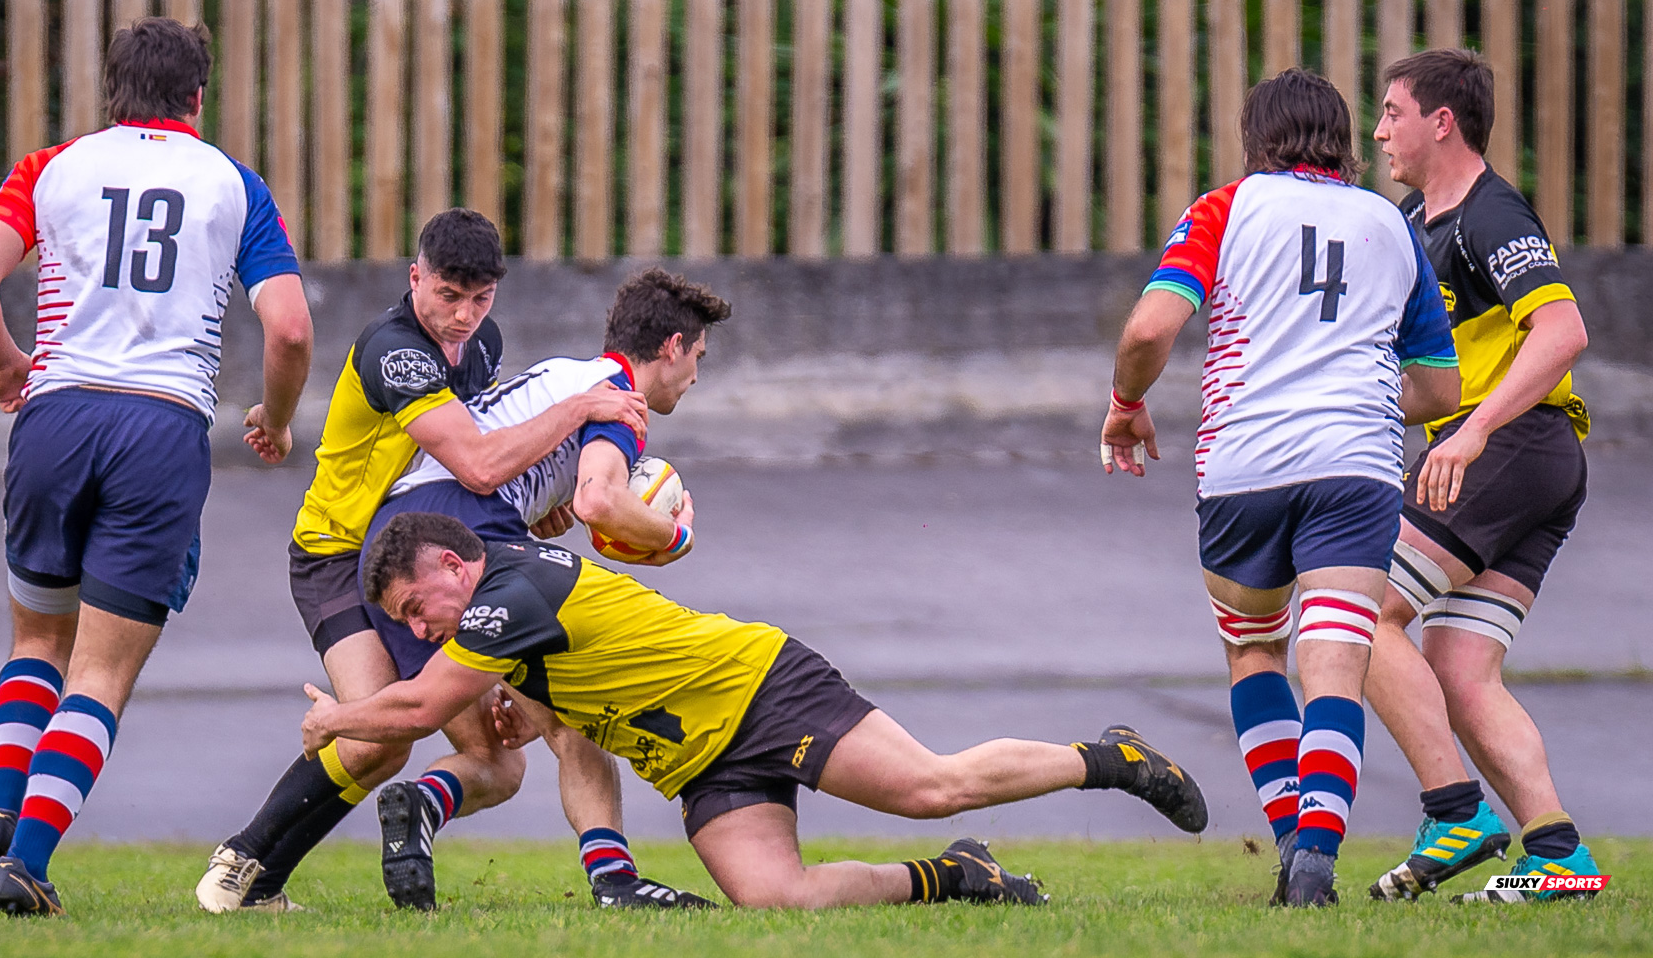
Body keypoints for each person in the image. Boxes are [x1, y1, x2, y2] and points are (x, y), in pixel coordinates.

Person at [301, 510, 1209, 911]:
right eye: (407, 621)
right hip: (704, 763)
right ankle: (961, 877)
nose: (421, 625)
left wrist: (334, 720)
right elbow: (569, 716)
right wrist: (524, 710)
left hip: (760, 691)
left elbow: (420, 707)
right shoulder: (505, 620)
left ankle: (1113, 755)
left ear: (456, 568)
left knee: (933, 786)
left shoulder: (509, 588)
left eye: (418, 606)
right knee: (780, 899)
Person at [196, 211, 676, 913]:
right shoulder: (397, 350)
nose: (463, 315)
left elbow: (482, 455)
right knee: (380, 736)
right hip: (338, 552)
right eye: (448, 294)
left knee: (496, 759)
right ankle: (244, 858)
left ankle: (263, 879)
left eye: (480, 299)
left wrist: (538, 499)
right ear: (414, 276)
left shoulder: (480, 345)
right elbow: (478, 464)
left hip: (417, 551)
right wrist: (579, 409)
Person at [0, 17, 314, 916]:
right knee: (101, 671)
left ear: (111, 91)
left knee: (38, 640)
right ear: (197, 96)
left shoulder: (51, 167)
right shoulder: (234, 183)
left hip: (55, 414)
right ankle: (24, 863)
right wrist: (274, 415)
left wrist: (4, 363)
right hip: (159, 425)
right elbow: (291, 328)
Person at [1102, 68, 1461, 907]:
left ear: (1257, 139)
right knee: (1334, 663)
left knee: (1255, 650)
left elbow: (1151, 325)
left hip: (1245, 464)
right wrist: (1360, 396)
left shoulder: (1226, 208)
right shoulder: (1391, 224)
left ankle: (1294, 835)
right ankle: (1318, 860)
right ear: (1340, 141)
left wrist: (1126, 403)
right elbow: (1441, 390)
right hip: (1355, 465)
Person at [358, 267, 723, 909]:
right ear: (671, 346)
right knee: (574, 716)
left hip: (397, 542)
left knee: (495, 755)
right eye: (697, 355)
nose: (695, 374)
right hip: (460, 531)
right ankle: (616, 882)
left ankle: (419, 802)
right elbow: (600, 501)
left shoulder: (565, 373)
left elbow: (553, 489)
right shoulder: (616, 395)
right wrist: (674, 539)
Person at [1365, 49, 1602, 903]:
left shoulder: (1489, 216)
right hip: (1531, 459)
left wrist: (1471, 433)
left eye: (1393, 111)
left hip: (1512, 446)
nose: (1380, 128)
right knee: (1460, 664)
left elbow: (1563, 331)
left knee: (1358, 609)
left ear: (1443, 122)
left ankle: (1454, 809)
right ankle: (1560, 852)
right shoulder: (1411, 219)